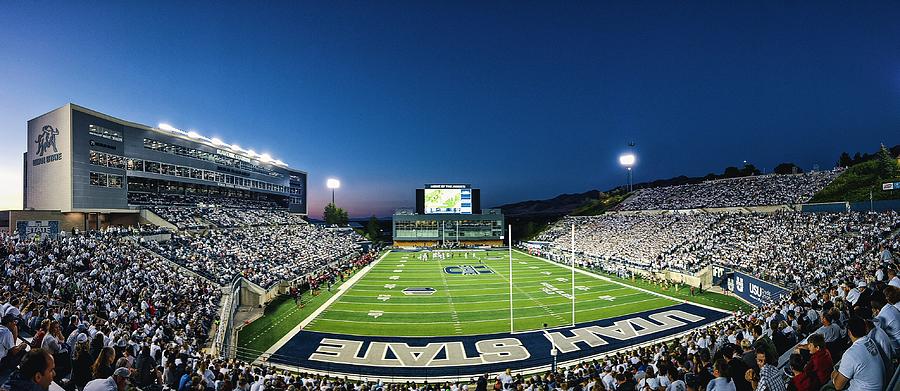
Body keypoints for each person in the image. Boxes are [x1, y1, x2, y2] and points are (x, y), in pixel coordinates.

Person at [832, 317, 886, 391]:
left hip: (866, 388)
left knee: (826, 387)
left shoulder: (850, 354)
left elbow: (838, 386)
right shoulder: (870, 341)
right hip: (878, 386)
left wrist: (834, 373)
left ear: (849, 332)